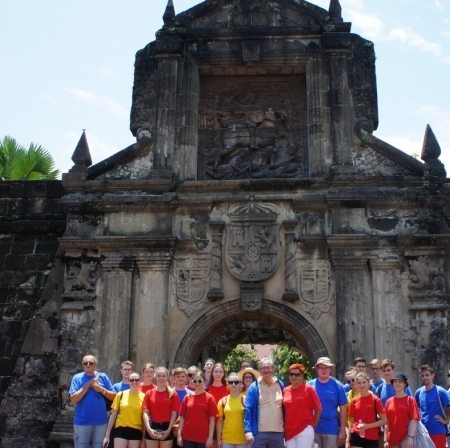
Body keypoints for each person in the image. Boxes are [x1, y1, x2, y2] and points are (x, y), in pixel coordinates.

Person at [69, 354, 115, 448]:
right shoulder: (77, 378)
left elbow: (114, 397)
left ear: (96, 364)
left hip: (101, 422)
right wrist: (89, 384)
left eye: (91, 363)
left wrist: (101, 390)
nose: (88, 365)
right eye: (85, 363)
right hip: (82, 422)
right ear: (82, 364)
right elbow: (73, 400)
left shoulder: (103, 377)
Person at [244, 356, 285, 448]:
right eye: (263, 368)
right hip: (259, 433)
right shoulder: (254, 387)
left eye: (269, 367)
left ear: (273, 369)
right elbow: (248, 409)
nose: (266, 370)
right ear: (259, 370)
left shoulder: (280, 384)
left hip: (278, 432)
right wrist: (248, 431)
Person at [308, 356, 348, 448]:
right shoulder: (309, 385)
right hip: (313, 429)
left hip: (331, 430)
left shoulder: (337, 385)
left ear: (331, 369)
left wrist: (342, 431)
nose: (324, 370)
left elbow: (343, 408)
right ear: (317, 369)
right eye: (321, 367)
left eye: (326, 367)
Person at [283, 364, 322, 448]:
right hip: (289, 430)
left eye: (297, 374)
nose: (293, 376)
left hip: (305, 429)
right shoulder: (285, 390)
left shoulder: (308, 389)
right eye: (291, 374)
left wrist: (313, 425)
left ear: (301, 376)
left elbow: (318, 408)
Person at [103, 372, 145, 448]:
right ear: (128, 381)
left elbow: (144, 419)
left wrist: (144, 438)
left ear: (140, 381)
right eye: (132, 380)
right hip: (121, 429)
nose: (134, 382)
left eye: (136, 380)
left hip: (136, 430)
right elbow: (113, 415)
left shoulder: (144, 397)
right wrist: (107, 435)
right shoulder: (120, 395)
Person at [177, 370, 217, 448]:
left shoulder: (210, 398)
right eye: (195, 381)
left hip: (203, 438)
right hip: (187, 437)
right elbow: (182, 418)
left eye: (200, 381)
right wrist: (179, 435)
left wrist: (210, 437)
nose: (197, 383)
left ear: (204, 381)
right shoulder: (187, 397)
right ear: (192, 381)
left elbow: (212, 419)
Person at [143, 366, 180, 448]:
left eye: (163, 376)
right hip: (152, 426)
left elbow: (174, 414)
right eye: (159, 375)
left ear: (167, 377)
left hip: (167, 426)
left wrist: (169, 430)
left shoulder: (172, 394)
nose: (161, 378)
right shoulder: (149, 393)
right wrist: (148, 429)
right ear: (155, 376)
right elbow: (145, 412)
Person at [414, 364, 450, 448]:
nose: (425, 377)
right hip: (423, 432)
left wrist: (446, 421)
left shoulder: (440, 391)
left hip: (438, 431)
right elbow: (416, 410)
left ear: (432, 376)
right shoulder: (418, 392)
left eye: (427, 375)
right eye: (422, 375)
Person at [347, 372, 386, 448]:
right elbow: (351, 421)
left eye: (364, 382)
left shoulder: (375, 400)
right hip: (356, 435)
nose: (361, 385)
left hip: (371, 437)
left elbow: (384, 420)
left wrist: (367, 426)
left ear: (368, 383)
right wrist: (348, 440)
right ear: (356, 384)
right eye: (359, 383)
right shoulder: (354, 401)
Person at [384, 373, 420, 448]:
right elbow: (386, 422)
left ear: (405, 384)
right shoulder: (389, 401)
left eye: (400, 382)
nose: (397, 384)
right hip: (392, 439)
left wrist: (411, 437)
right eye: (395, 381)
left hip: (406, 438)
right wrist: (385, 440)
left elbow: (414, 420)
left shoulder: (410, 400)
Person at [216, 372, 247, 448]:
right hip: (226, 439)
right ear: (228, 384)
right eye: (231, 382)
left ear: (240, 384)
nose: (233, 384)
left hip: (243, 439)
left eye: (236, 382)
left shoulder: (245, 400)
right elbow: (219, 422)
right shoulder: (223, 401)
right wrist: (218, 439)